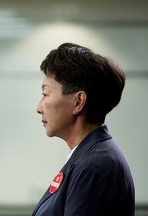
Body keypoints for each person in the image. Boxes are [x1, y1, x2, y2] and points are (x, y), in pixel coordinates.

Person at [32, 42, 135, 216]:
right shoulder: (88, 156)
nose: (39, 107)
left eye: (46, 94)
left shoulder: (93, 167)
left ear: (78, 102)